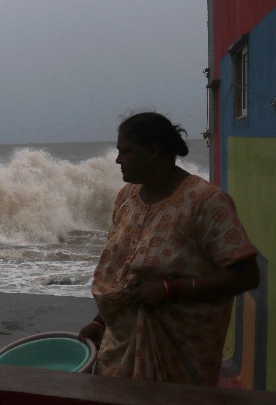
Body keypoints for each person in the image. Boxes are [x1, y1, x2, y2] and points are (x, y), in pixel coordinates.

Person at [79, 112, 259, 385]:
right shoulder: (126, 198)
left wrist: (169, 290)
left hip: (179, 354)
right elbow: (123, 275)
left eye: (125, 151)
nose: (117, 160)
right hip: (119, 350)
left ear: (154, 151)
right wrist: (100, 322)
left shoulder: (205, 202)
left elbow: (246, 275)